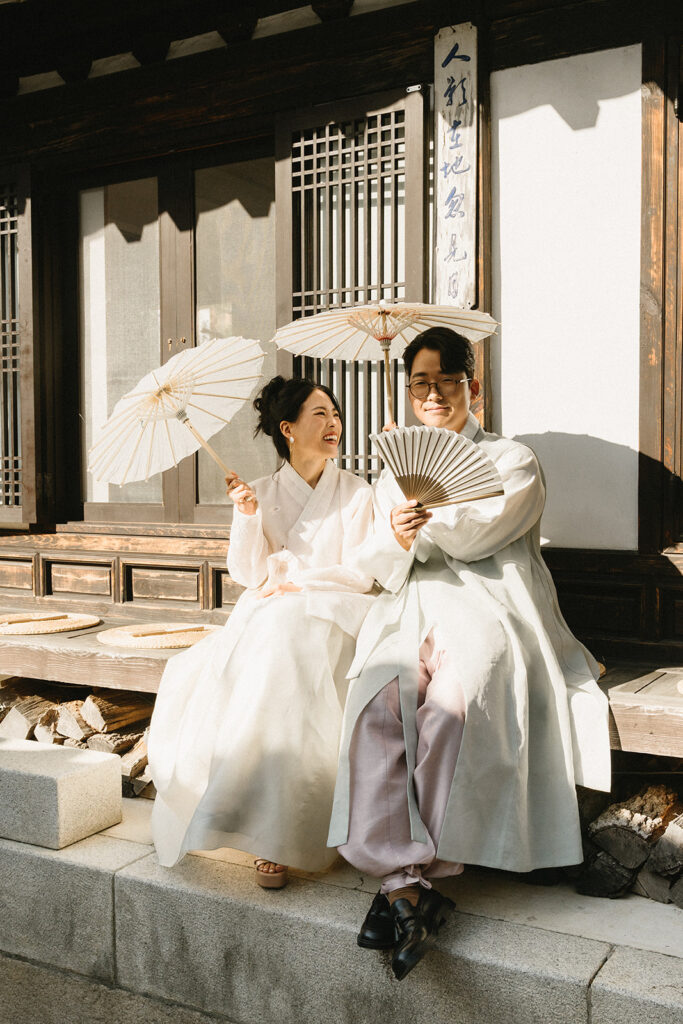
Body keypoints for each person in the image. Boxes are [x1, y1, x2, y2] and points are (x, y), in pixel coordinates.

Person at [327, 327, 611, 979]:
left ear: (470, 387)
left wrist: (423, 514)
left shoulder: (512, 460)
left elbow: (482, 534)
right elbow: (372, 560)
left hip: (490, 598)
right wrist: (395, 534)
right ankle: (405, 890)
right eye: (419, 383)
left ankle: (404, 881)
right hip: (409, 604)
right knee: (376, 706)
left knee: (455, 701)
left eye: (444, 382)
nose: (431, 395)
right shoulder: (391, 475)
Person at [148, 375, 375, 888]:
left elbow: (363, 572)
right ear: (288, 429)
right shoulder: (263, 492)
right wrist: (248, 517)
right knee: (270, 642)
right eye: (320, 415)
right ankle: (259, 827)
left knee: (286, 630)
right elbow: (250, 574)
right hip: (275, 611)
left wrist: (300, 579)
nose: (334, 423)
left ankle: (283, 827)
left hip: (338, 606)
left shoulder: (358, 493)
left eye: (335, 414)